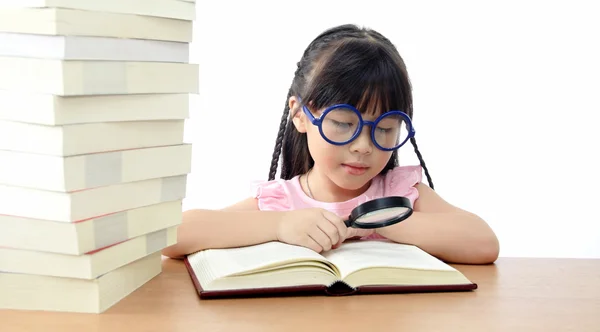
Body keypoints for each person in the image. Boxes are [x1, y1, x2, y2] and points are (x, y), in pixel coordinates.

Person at [162, 24, 499, 264]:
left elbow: (484, 243)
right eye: (343, 124)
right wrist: (280, 225)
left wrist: (390, 221)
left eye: (385, 129)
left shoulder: (400, 194)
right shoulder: (281, 203)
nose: (364, 146)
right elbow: (173, 236)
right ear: (300, 115)